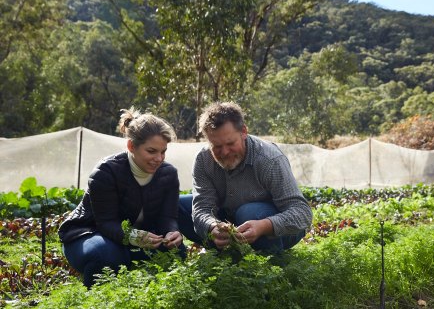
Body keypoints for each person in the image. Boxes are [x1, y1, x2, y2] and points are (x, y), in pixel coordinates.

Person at [58, 108, 185, 288]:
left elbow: (168, 217)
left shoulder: (168, 174)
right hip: (89, 234)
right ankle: (96, 300)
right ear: (131, 146)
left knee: (178, 251)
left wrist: (172, 232)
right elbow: (106, 223)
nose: (159, 158)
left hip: (132, 238)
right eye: (151, 151)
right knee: (106, 256)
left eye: (163, 152)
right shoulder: (105, 172)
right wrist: (135, 237)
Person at [178, 101, 312, 254]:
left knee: (248, 212)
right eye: (217, 146)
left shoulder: (269, 160)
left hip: (278, 229)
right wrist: (212, 227)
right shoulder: (203, 160)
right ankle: (228, 254)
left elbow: (302, 213)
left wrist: (264, 226)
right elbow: (202, 207)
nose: (225, 152)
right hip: (230, 219)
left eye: (230, 143)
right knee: (178, 206)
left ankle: (271, 265)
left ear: (243, 132)